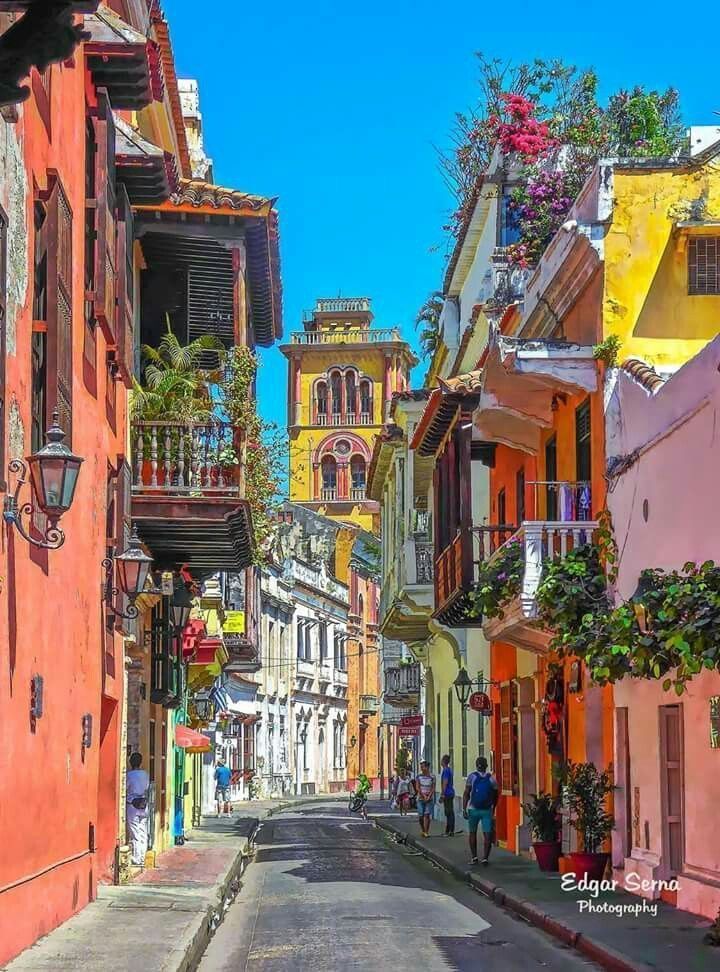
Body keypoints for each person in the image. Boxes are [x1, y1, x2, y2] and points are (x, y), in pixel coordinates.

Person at [463, 756, 499, 865]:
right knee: (487, 834)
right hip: (487, 810)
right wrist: (493, 807)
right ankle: (485, 858)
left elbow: (466, 793)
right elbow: (496, 795)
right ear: (486, 766)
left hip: (473, 809)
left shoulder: (471, 777)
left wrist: (464, 808)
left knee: (472, 833)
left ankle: (474, 857)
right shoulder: (492, 778)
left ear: (476, 765)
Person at [126, 752, 149, 866]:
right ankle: (142, 857)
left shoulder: (129, 775)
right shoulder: (145, 774)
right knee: (143, 832)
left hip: (132, 805)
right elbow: (147, 787)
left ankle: (136, 858)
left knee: (135, 832)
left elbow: (125, 787)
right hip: (143, 804)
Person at [414, 761, 436, 837]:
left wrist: (429, 796)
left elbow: (433, 788)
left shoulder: (432, 776)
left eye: (423, 767)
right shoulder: (418, 776)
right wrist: (423, 795)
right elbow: (417, 787)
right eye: (421, 767)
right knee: (421, 816)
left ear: (427, 767)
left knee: (427, 815)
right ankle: (423, 829)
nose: (422, 768)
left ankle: (426, 832)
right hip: (420, 798)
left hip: (429, 799)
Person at [440, 754, 456, 836]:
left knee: (449, 812)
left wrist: (442, 794)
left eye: (441, 760)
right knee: (450, 812)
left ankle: (450, 831)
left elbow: (445, 782)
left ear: (443, 761)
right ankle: (449, 830)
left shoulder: (446, 770)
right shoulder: (449, 770)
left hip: (447, 793)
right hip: (450, 792)